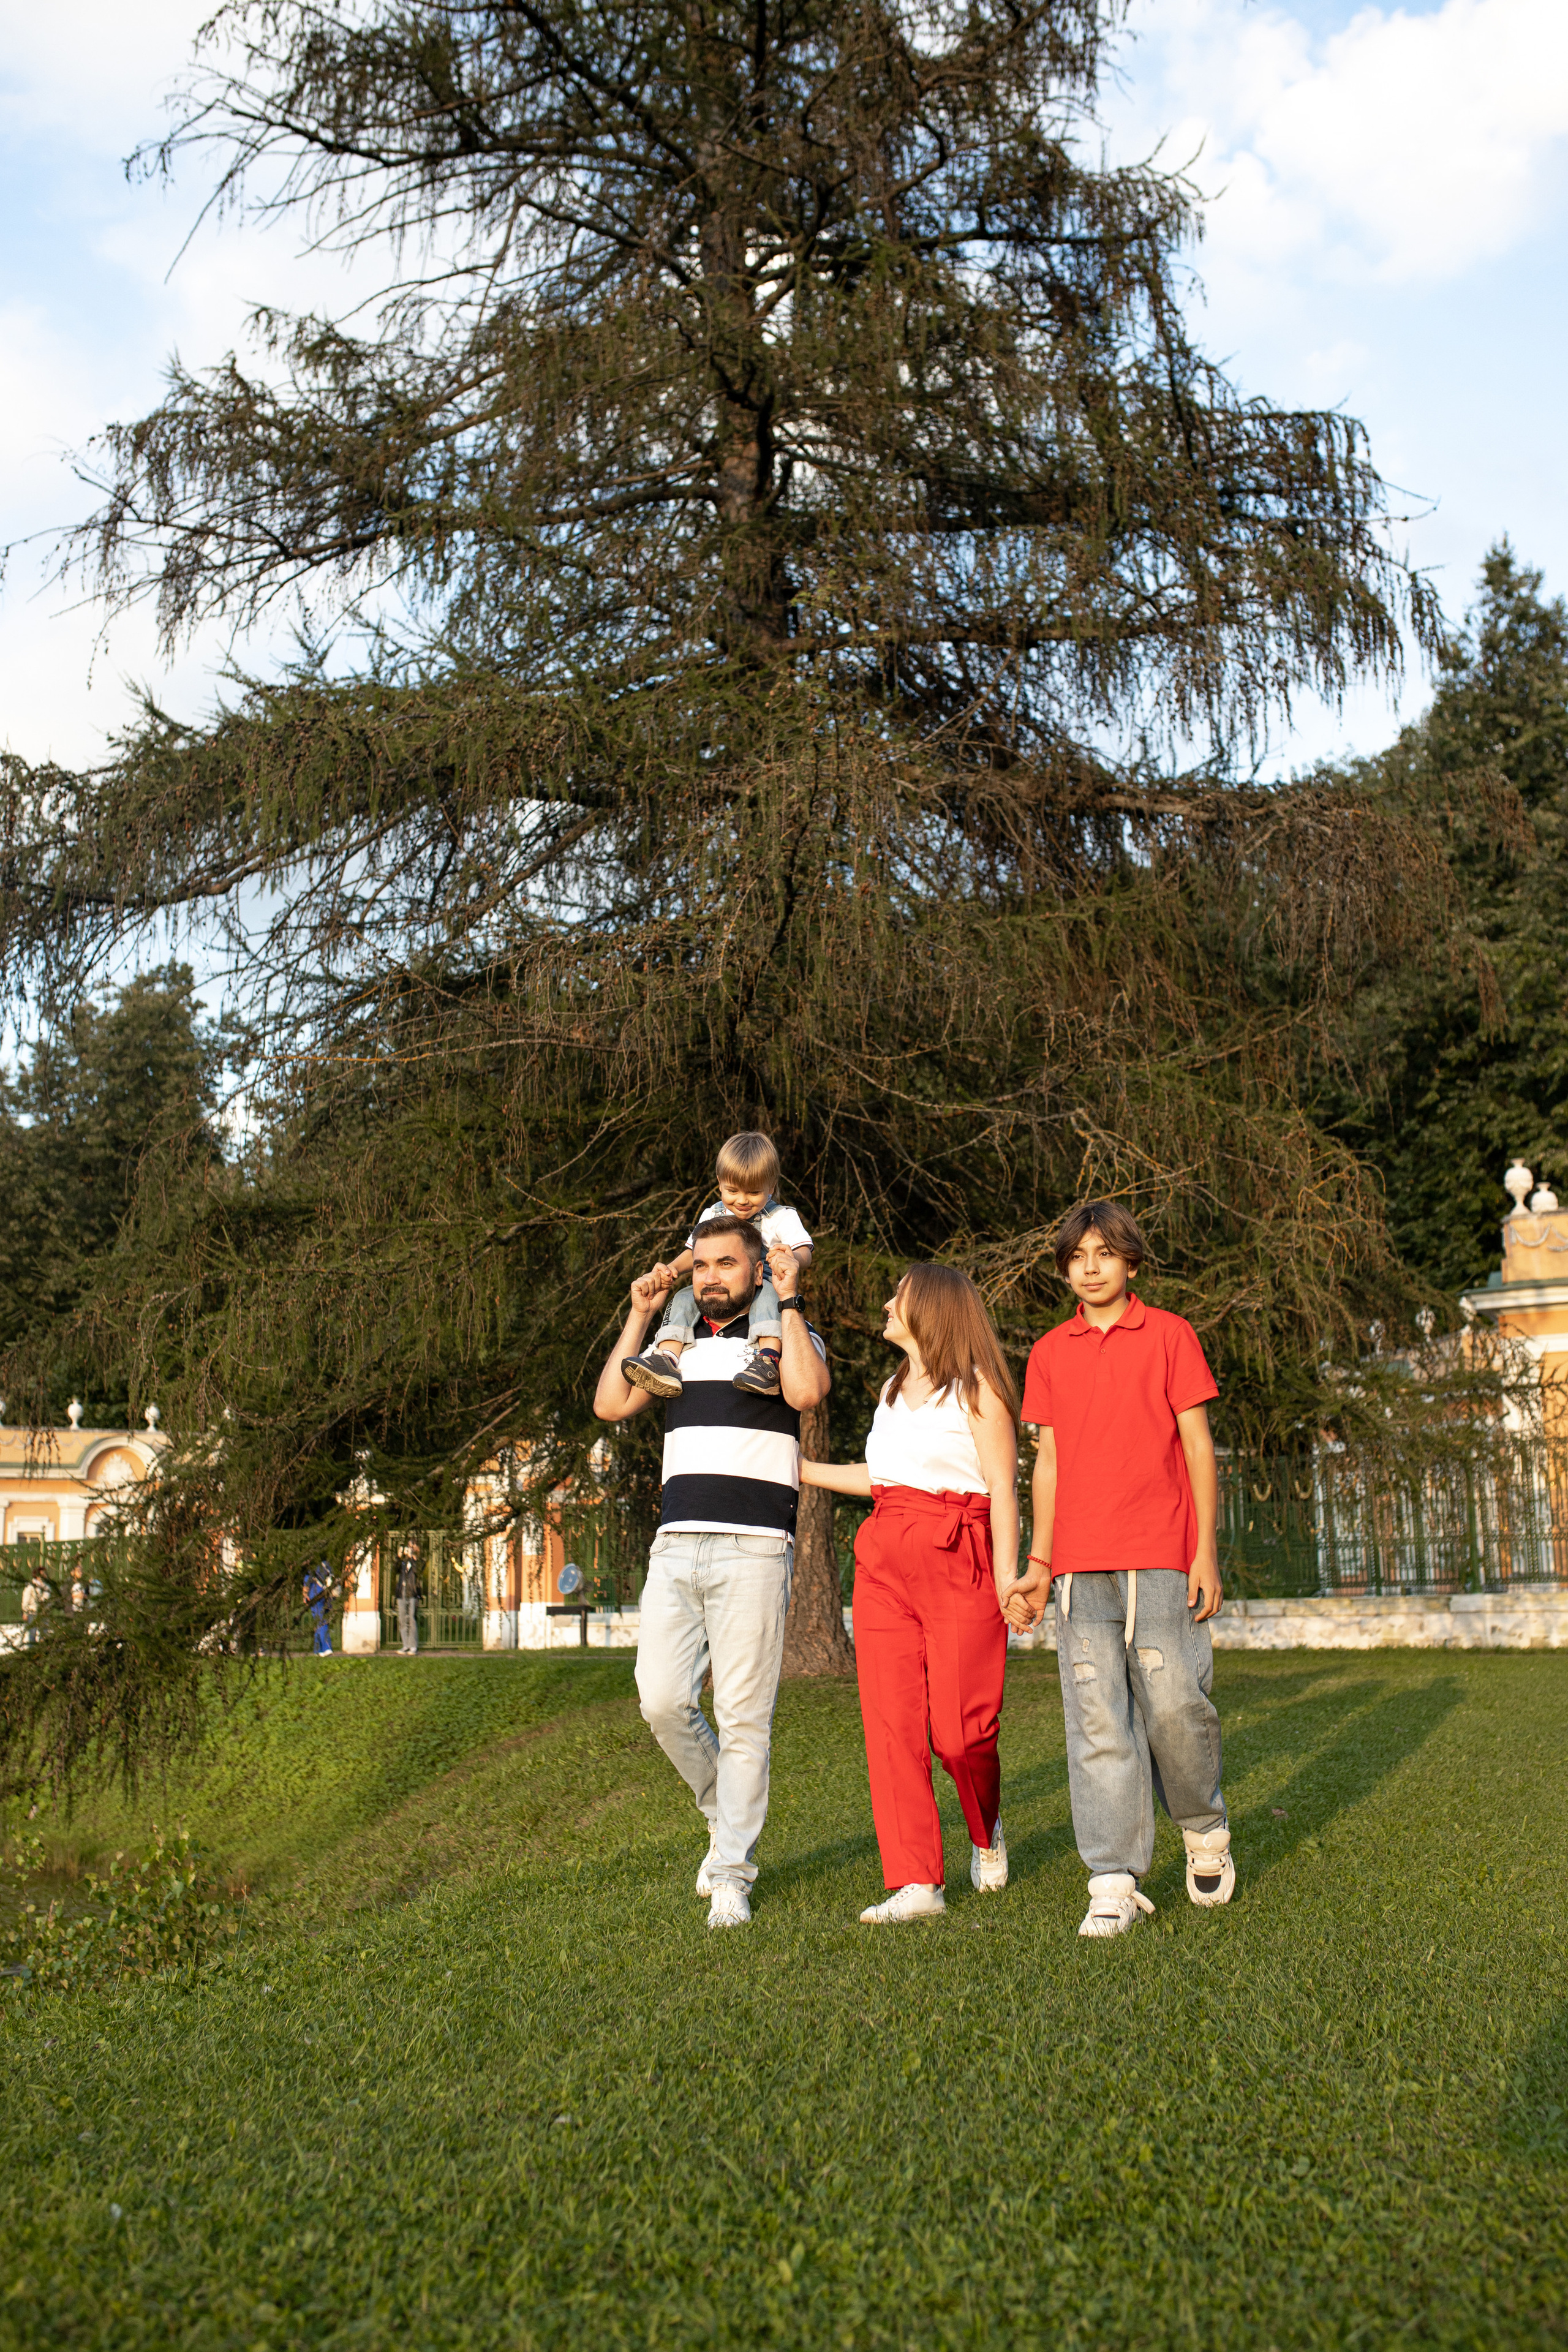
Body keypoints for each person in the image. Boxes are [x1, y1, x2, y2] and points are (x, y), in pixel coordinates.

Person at [594, 1215, 831, 1929]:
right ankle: (720, 1812)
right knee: (661, 1700)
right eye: (701, 1266)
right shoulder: (673, 1353)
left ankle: (732, 1870)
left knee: (744, 1720)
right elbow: (610, 1406)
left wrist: (787, 1304)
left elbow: (807, 1395)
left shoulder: (784, 1341)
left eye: (726, 1264)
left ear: (756, 1271)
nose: (709, 1276)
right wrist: (638, 1316)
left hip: (755, 1547)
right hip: (675, 1547)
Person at [1013, 1200, 1234, 1937]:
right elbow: (1046, 1461)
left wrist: (1204, 1548)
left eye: (1104, 1253)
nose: (1090, 1267)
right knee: (1099, 1720)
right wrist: (1040, 1562)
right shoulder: (1048, 1352)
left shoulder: (1169, 1336)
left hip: (1162, 1558)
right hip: (1078, 1568)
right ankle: (1111, 1878)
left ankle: (1203, 1827)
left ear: (1130, 1263)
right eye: (1077, 1257)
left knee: (1175, 1707)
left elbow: (1198, 1446)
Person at [801, 1265, 1031, 1924]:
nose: (883, 1304)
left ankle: (985, 1829)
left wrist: (1008, 1576)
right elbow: (885, 1476)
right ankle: (915, 1883)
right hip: (884, 1559)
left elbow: (1003, 1490)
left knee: (960, 1735)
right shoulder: (893, 1387)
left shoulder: (980, 1391)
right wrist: (802, 1469)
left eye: (896, 1298)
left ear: (930, 1309)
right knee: (891, 1724)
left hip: (958, 1555)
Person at [620, 1131, 813, 1398]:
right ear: (720, 1184)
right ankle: (667, 1359)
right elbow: (692, 1250)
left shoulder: (781, 1217)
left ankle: (767, 1362)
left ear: (772, 1185)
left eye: (754, 1192)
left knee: (769, 1298)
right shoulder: (713, 1213)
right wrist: (673, 1268)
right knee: (684, 1298)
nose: (742, 1201)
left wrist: (793, 1259)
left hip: (766, 1280)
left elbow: (805, 1250)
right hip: (729, 1287)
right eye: (732, 1191)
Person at [395, 1541, 423, 1656]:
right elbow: (395, 1569)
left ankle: (413, 1646)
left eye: (412, 1547)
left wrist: (412, 1558)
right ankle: (406, 1645)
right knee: (402, 1620)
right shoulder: (403, 1562)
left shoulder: (419, 1561)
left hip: (412, 1594)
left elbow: (418, 1571)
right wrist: (399, 1556)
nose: (409, 1549)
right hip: (402, 1593)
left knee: (411, 1619)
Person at [303, 1559, 334, 1656]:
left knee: (320, 1622)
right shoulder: (327, 1565)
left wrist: (305, 1597)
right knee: (322, 1622)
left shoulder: (312, 1569)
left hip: (315, 1596)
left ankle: (326, 1648)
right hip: (328, 1596)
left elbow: (307, 1584)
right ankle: (319, 1649)